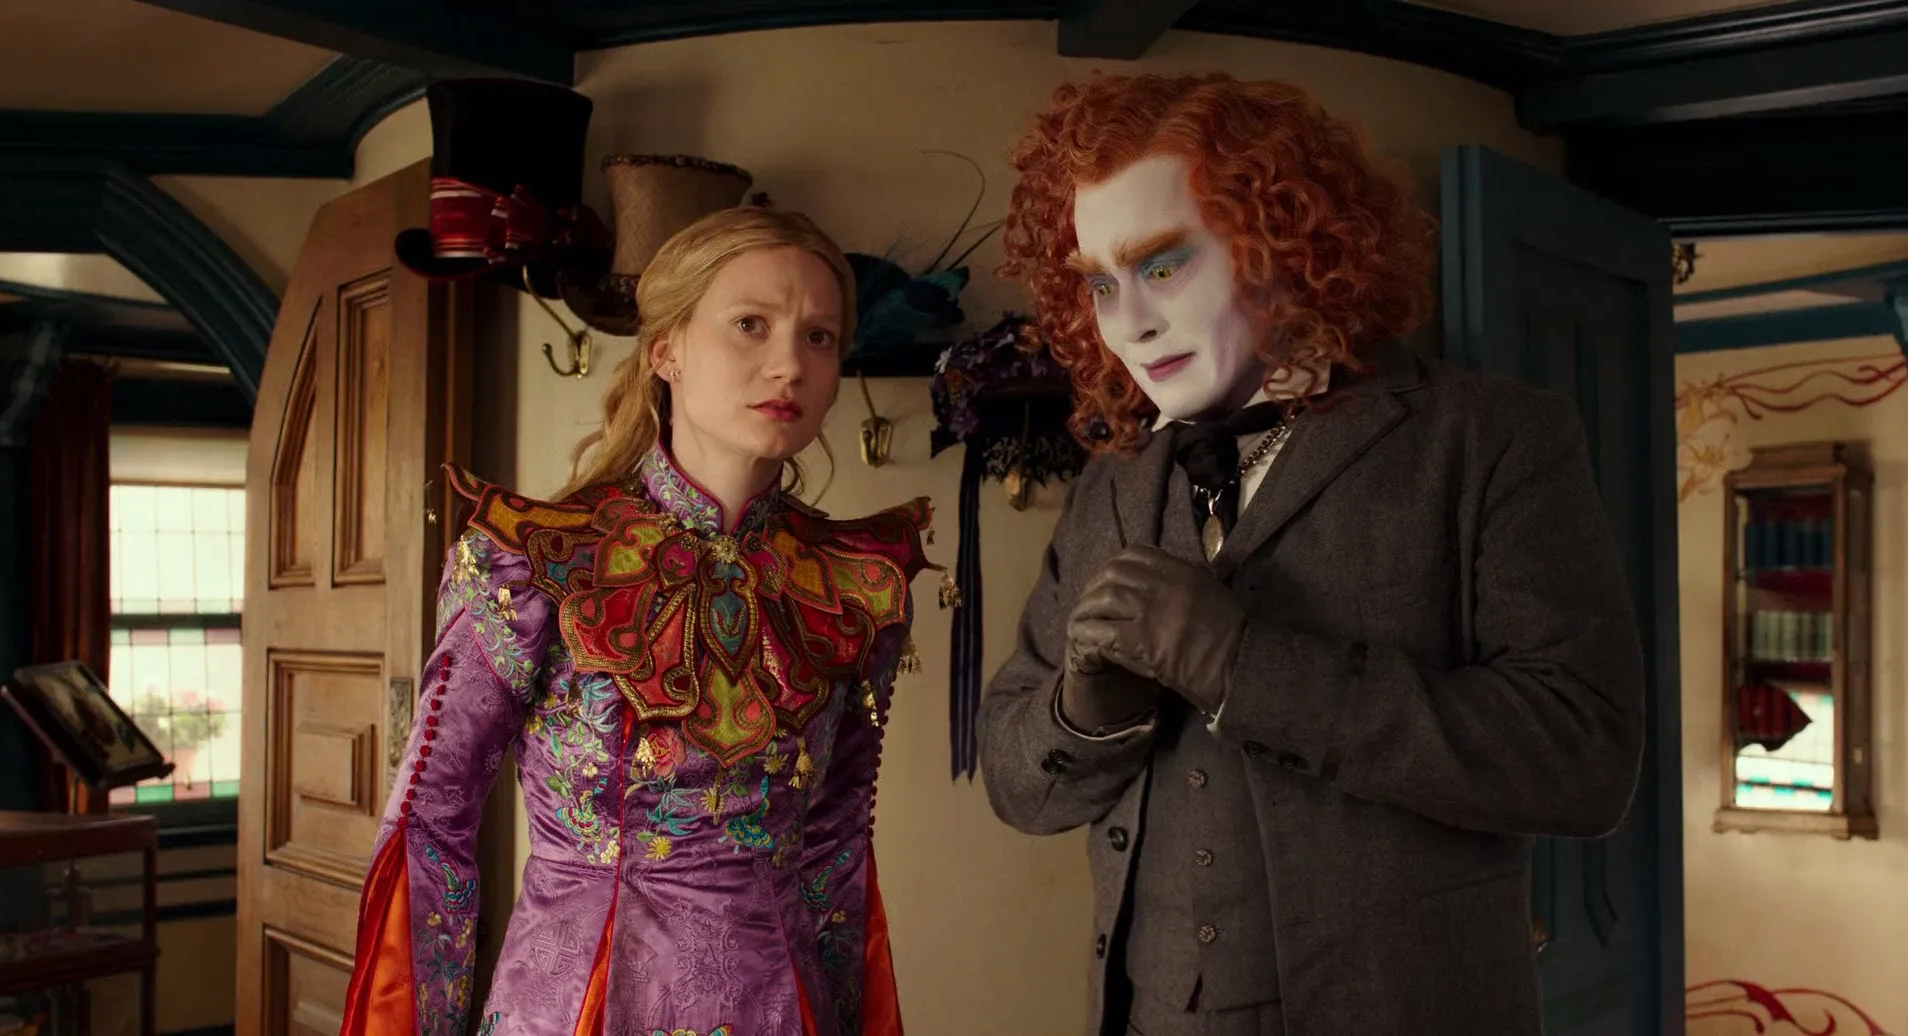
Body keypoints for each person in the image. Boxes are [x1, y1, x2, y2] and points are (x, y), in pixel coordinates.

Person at [977, 72, 1648, 1036]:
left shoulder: (1490, 439)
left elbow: (1584, 757)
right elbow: (1016, 784)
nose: (1128, 323)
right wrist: (1084, 717)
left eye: (1163, 265)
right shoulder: (1113, 485)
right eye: (1100, 283)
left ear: (1283, 238)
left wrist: (1248, 669)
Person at [339, 206, 933, 1036]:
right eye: (751, 324)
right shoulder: (532, 563)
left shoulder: (851, 586)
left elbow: (836, 850)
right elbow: (431, 823)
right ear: (666, 350)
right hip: (576, 1008)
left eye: (819, 337)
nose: (790, 365)